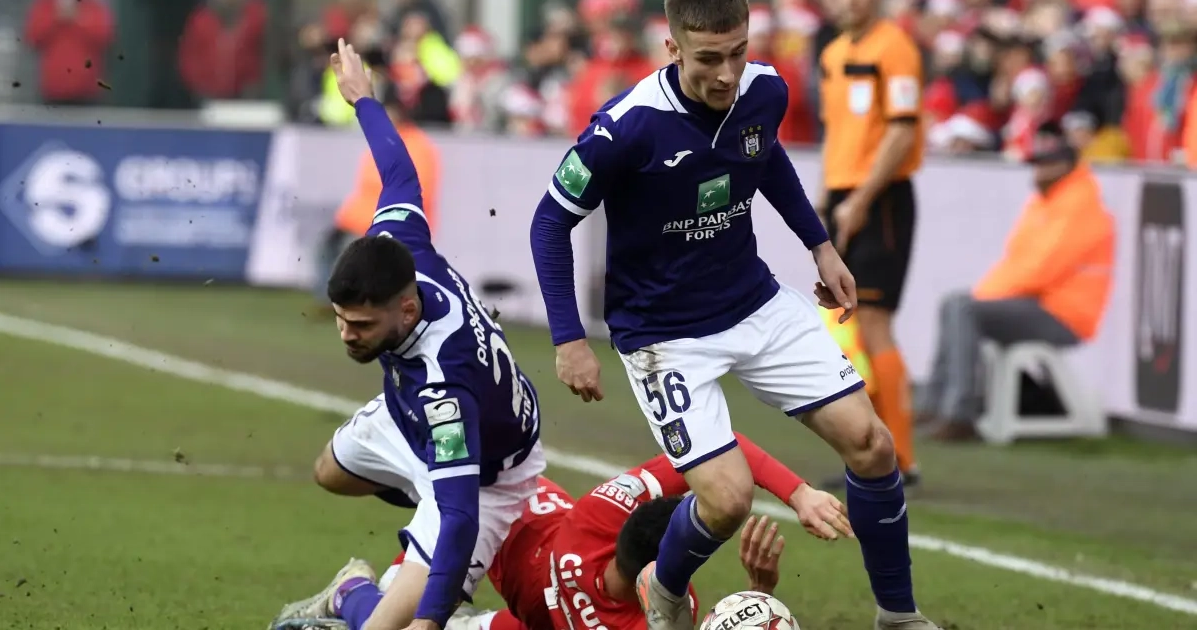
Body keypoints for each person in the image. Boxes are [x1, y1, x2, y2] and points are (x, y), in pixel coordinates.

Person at [527, 1, 938, 629]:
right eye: (709, 59)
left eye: (738, 53)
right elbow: (549, 223)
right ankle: (664, 589)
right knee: (727, 501)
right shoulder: (625, 128)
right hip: (663, 335)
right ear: (672, 49)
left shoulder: (765, 90)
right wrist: (568, 339)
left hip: (753, 302)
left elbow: (764, 154)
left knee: (872, 445)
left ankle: (899, 617)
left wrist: (821, 246)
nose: (726, 74)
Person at [269, 40, 546, 630]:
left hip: (486, 476)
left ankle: (353, 593)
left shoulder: (444, 387)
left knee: (391, 628)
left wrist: (429, 620)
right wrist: (363, 100)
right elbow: (398, 171)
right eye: (341, 319)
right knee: (329, 472)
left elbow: (462, 514)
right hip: (412, 419)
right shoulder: (401, 244)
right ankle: (414, 519)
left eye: (362, 325)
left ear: (407, 307)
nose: (346, 335)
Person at [363, 432, 852, 630]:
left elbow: (721, 445)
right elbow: (724, 448)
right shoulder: (666, 609)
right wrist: (760, 594)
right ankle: (357, 591)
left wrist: (797, 493)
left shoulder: (599, 514)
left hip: (515, 508)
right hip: (478, 520)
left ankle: (351, 587)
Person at [919, 121, 1114, 441]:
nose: (1036, 172)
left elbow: (1041, 270)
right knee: (954, 303)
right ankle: (935, 404)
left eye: (1044, 165)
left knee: (964, 307)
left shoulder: (1079, 206)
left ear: (1065, 166)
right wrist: (985, 294)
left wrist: (984, 296)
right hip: (1040, 303)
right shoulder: (1046, 202)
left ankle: (960, 414)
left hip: (1064, 314)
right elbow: (1016, 262)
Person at [818, 0, 924, 487]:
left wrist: (861, 199)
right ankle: (872, 448)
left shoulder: (895, 47)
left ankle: (901, 456)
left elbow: (902, 131)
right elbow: (836, 130)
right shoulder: (834, 53)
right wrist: (826, 196)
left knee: (875, 321)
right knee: (849, 323)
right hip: (844, 195)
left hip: (881, 198)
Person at [314, 82, 441, 315]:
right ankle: (334, 302)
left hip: (387, 223)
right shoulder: (386, 142)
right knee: (326, 246)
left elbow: (414, 193)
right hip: (359, 218)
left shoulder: (416, 146)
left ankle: (351, 303)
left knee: (350, 254)